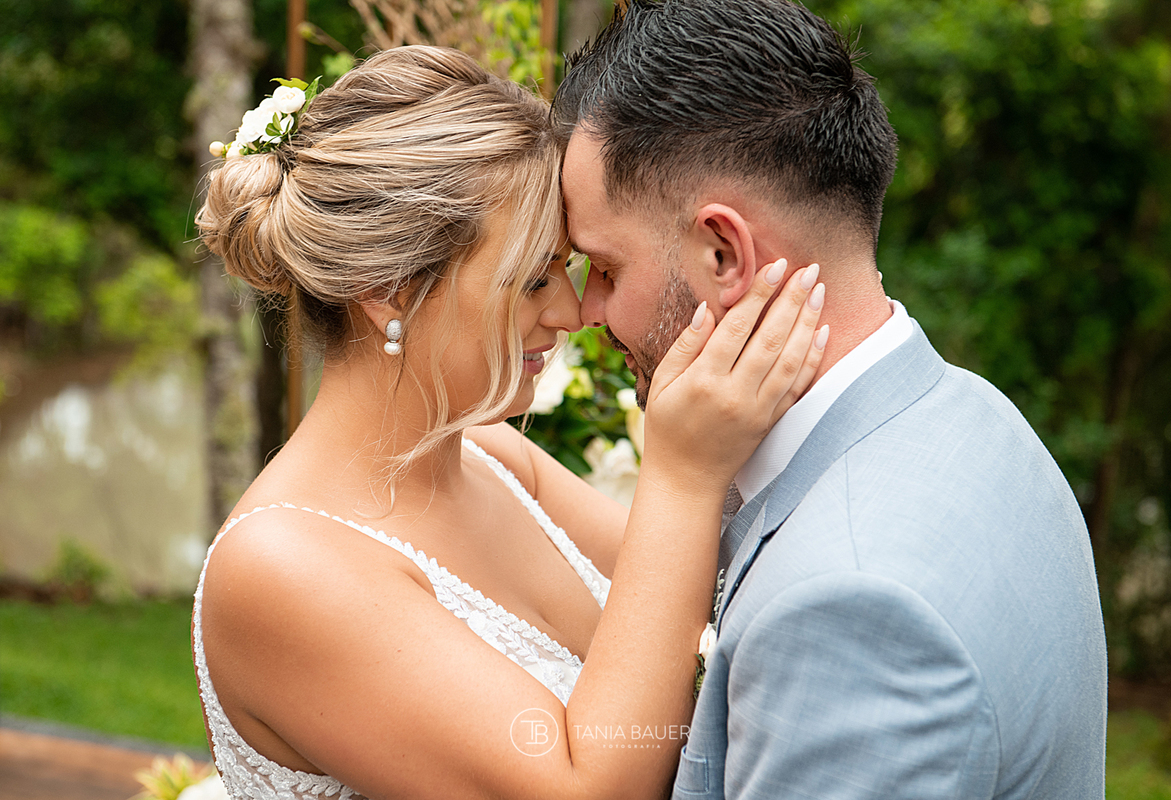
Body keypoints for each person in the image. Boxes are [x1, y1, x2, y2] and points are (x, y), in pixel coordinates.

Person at [191, 45, 828, 799]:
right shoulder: (282, 568)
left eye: (564, 268)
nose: (569, 311)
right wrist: (683, 475)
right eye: (532, 279)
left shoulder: (496, 458)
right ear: (388, 288)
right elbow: (587, 789)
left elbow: (726, 602)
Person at [553, 0, 1108, 797]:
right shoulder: (976, 416)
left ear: (723, 252)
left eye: (604, 268)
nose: (587, 311)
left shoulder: (849, 609)